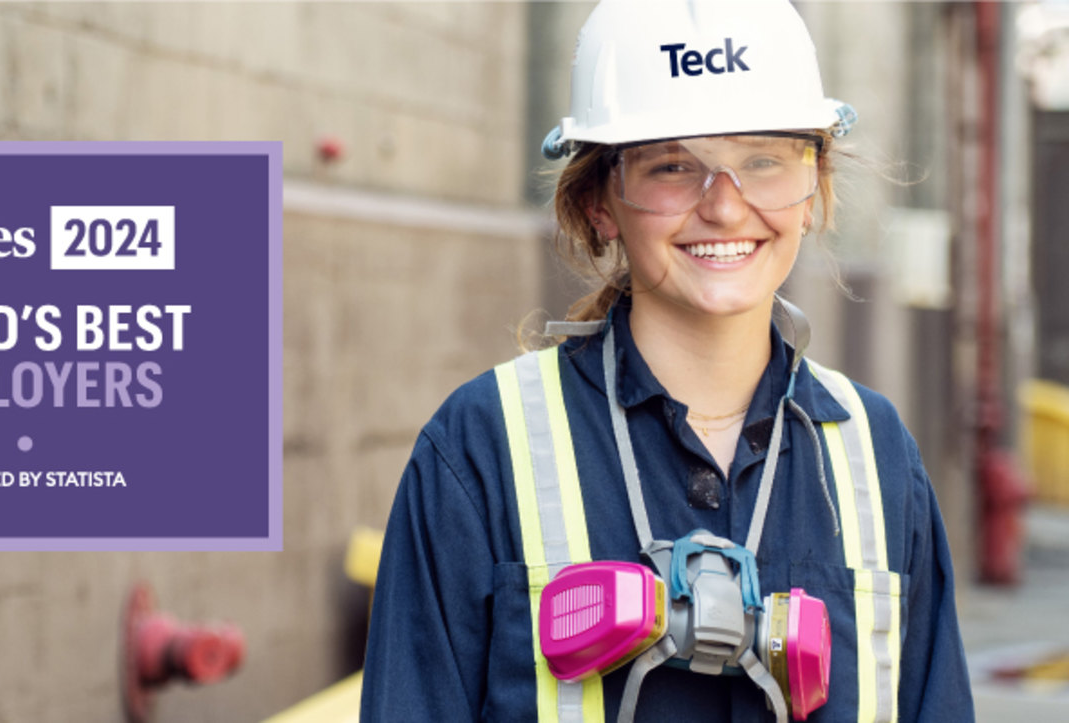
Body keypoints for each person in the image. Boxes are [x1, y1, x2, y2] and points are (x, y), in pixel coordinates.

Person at [359, 1, 974, 721]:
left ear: (812, 194)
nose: (724, 207)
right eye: (674, 166)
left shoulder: (876, 456)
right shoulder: (482, 449)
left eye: (765, 161)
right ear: (600, 202)